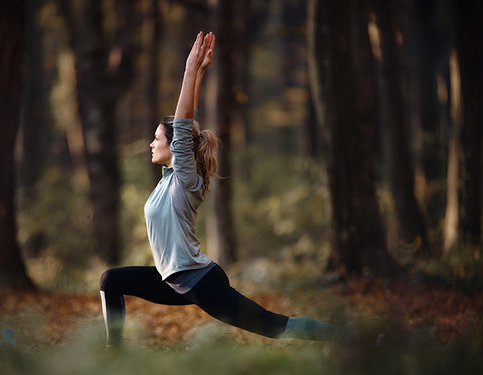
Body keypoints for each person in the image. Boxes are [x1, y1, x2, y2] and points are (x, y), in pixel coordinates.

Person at [99, 31, 349, 347]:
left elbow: (182, 125)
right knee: (111, 279)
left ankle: (363, 342)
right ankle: (113, 352)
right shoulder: (167, 178)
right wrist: (200, 72)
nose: (151, 143)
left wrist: (190, 71)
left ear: (175, 147)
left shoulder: (185, 180)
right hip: (171, 281)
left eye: (157, 138)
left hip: (200, 281)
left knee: (273, 326)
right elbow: (187, 127)